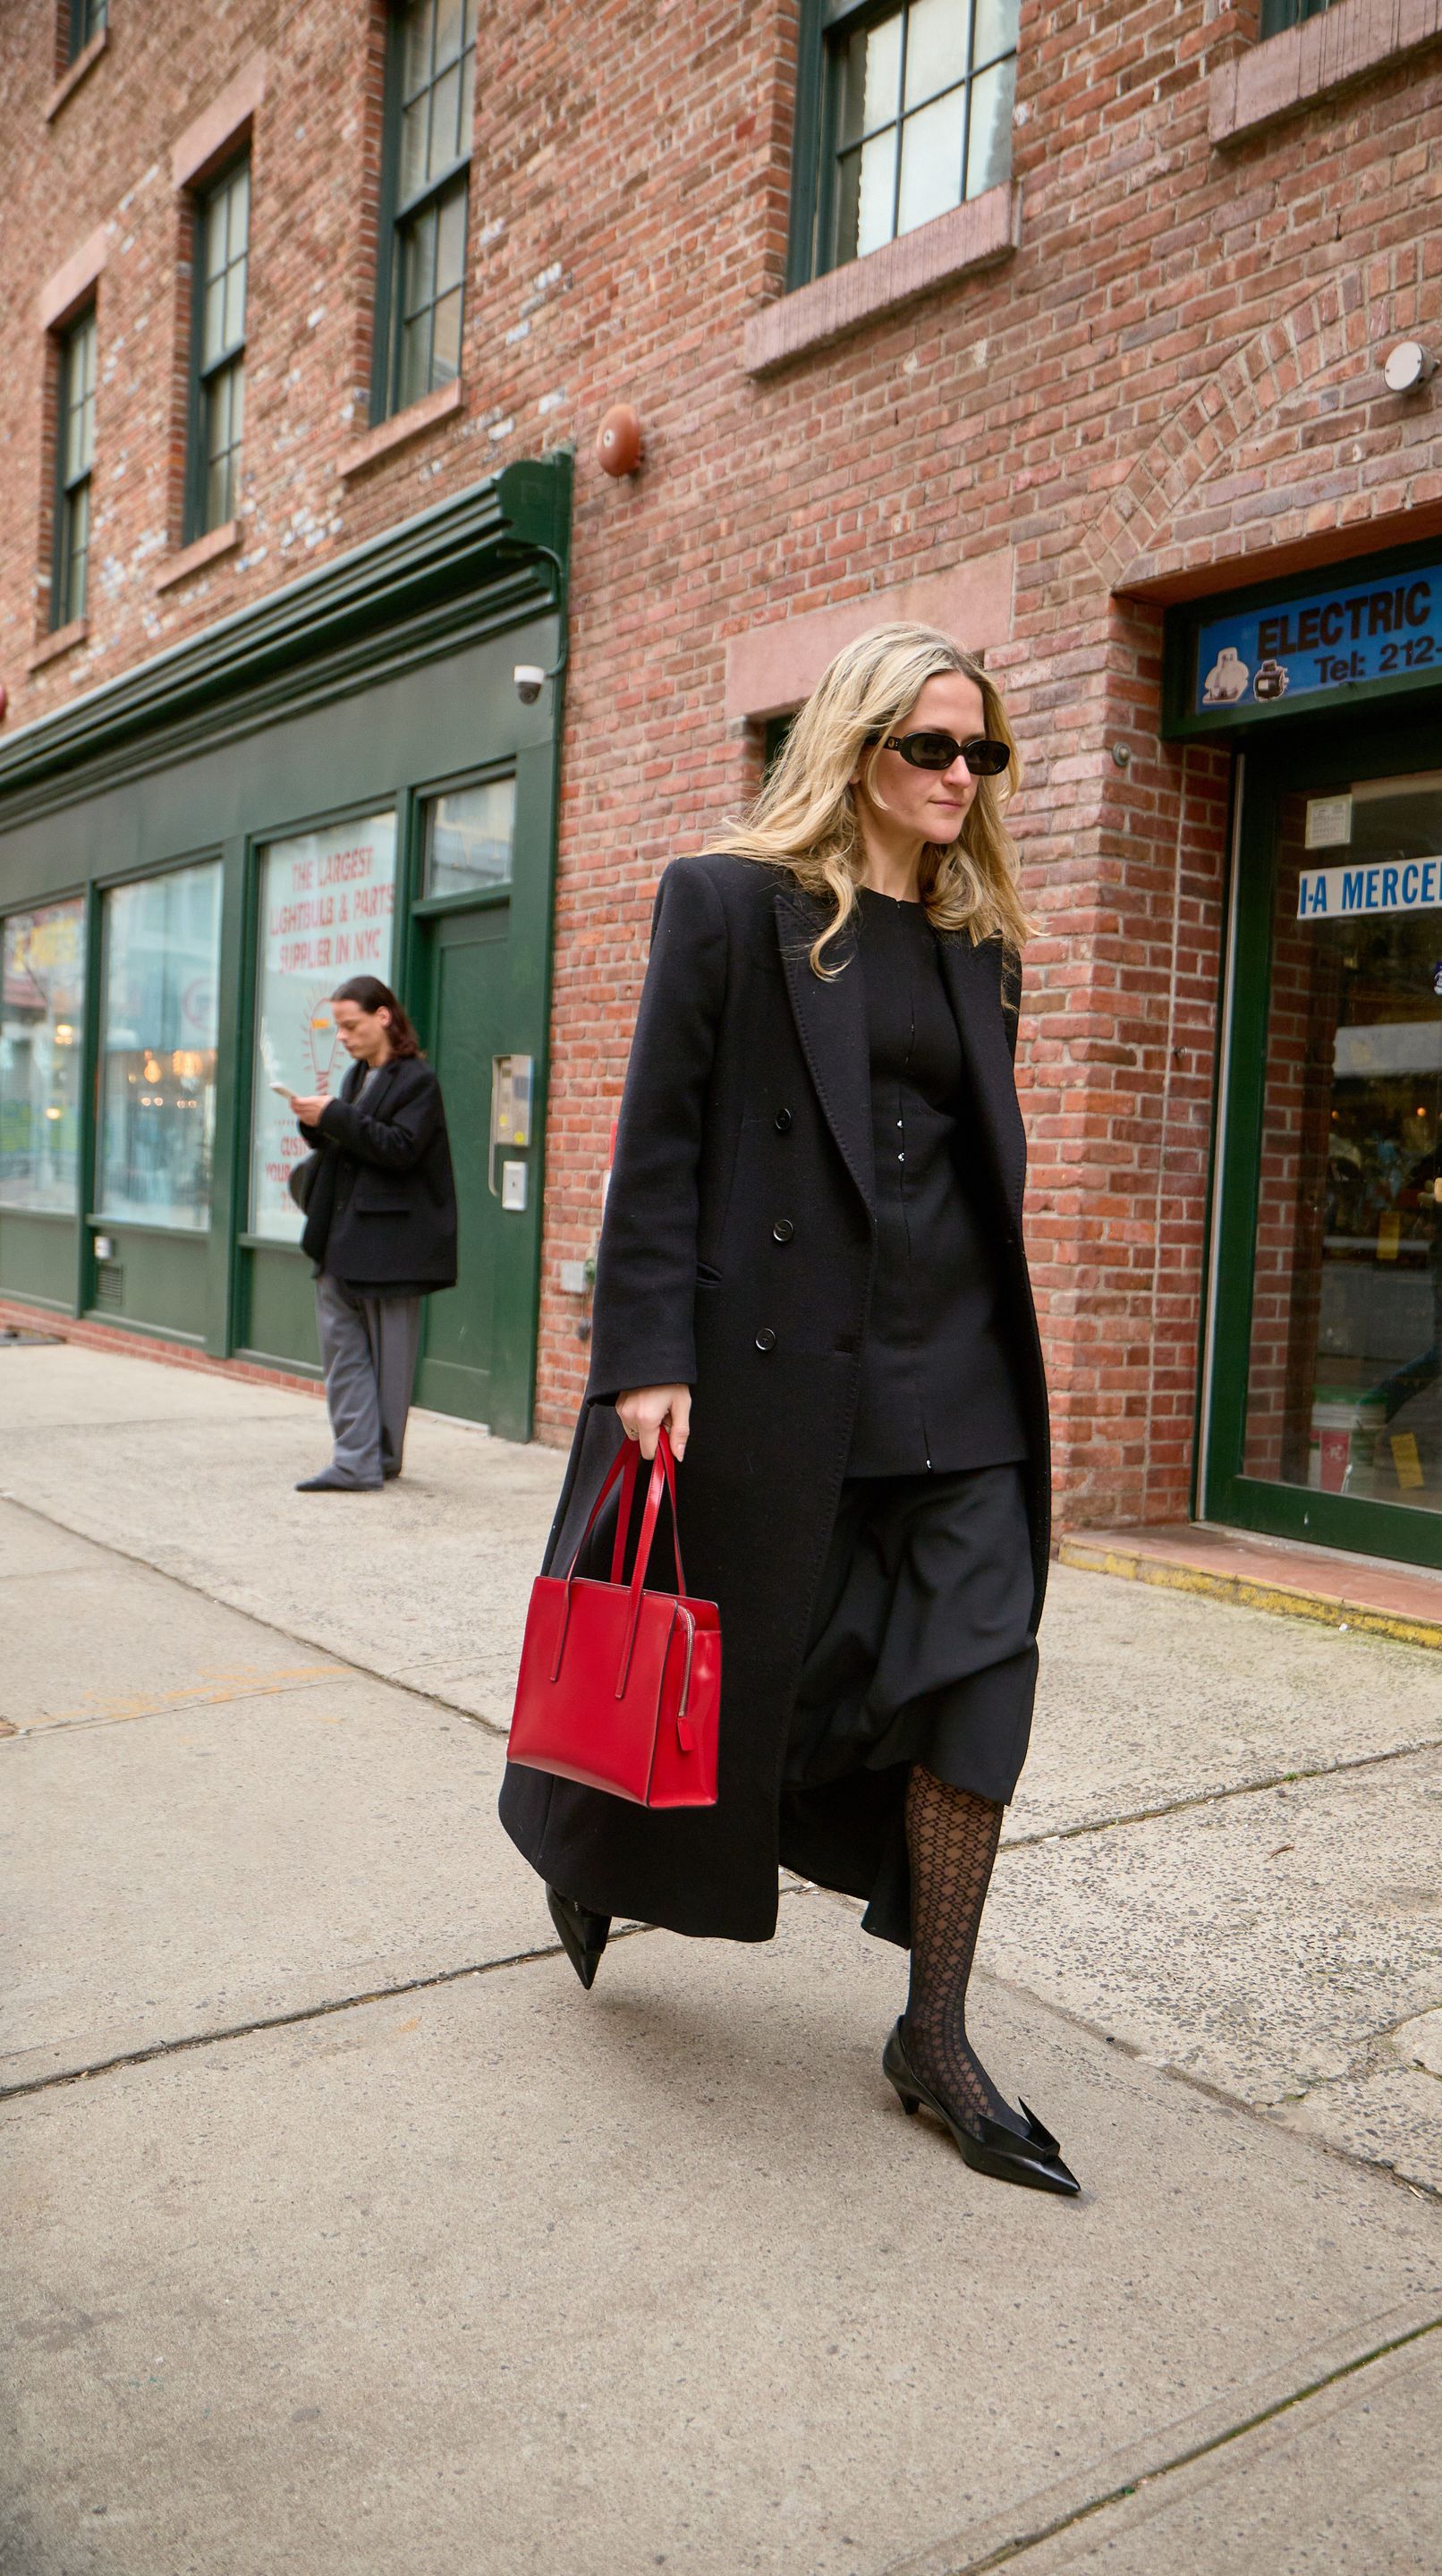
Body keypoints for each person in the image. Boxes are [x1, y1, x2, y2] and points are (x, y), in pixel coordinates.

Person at [500, 623, 1076, 2196]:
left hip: (958, 1375)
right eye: (932, 747)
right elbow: (662, 1140)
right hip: (769, 1360)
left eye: (983, 752)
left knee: (979, 1682)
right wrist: (642, 1356)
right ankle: (594, 1847)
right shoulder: (734, 905)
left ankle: (935, 2035)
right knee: (731, 1661)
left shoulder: (982, 944)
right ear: (857, 746)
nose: (963, 777)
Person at [288, 976, 456, 1494]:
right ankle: (357, 1459)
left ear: (383, 1017)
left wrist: (336, 1116)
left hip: (391, 1247)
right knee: (343, 1352)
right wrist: (318, 1122)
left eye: (350, 1025)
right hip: (342, 1237)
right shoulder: (358, 1076)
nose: (342, 1037)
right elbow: (353, 1142)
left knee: (391, 1362)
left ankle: (378, 1459)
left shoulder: (417, 1080)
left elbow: (401, 1148)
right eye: (338, 1027)